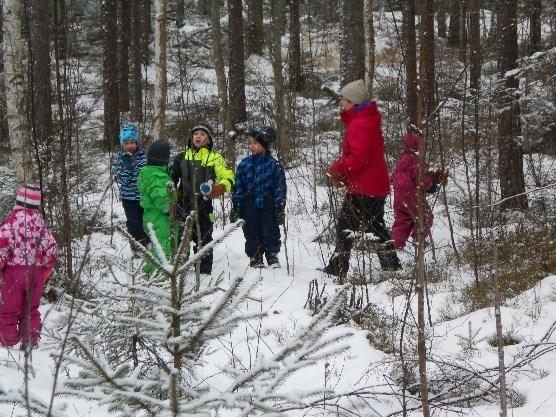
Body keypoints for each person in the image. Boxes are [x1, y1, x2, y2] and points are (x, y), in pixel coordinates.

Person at [323, 79, 401, 282]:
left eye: (344, 99)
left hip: (365, 186)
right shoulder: (366, 120)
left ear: (353, 102)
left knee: (345, 226)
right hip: (373, 184)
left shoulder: (360, 124)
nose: (341, 102)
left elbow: (358, 158)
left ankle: (337, 268)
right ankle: (392, 266)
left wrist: (338, 168)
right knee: (375, 226)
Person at [171, 123, 235, 274]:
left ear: (209, 139)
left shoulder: (215, 157)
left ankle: (204, 271)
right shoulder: (181, 156)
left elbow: (229, 177)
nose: (198, 136)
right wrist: (174, 192)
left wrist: (218, 188)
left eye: (202, 134)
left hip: (204, 205)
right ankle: (179, 271)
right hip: (183, 205)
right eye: (195, 133)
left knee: (204, 239)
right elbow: (172, 178)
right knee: (182, 238)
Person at [0, 185, 57, 349]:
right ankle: (30, 340)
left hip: (13, 273)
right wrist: (44, 270)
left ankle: (7, 341)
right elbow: (51, 250)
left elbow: (2, 248)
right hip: (35, 273)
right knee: (31, 309)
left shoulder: (9, 226)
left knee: (8, 308)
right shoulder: (42, 228)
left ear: (18, 203)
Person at [231, 126, 287, 268]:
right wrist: (237, 204)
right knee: (251, 230)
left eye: (255, 143)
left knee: (270, 229)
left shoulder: (273, 165)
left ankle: (272, 254)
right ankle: (255, 256)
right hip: (249, 203)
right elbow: (239, 185)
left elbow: (279, 186)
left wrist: (279, 204)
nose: (251, 146)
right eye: (249, 143)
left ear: (264, 145)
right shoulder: (244, 164)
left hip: (268, 202)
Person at [391, 130, 447, 250]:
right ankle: (418, 239)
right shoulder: (416, 161)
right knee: (426, 216)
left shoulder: (400, 160)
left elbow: (393, 178)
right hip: (412, 197)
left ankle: (396, 244)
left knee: (402, 220)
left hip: (399, 198)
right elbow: (421, 177)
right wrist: (431, 186)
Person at [138, 139, 178, 271]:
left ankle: (151, 273)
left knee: (157, 247)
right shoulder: (158, 177)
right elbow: (163, 199)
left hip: (151, 217)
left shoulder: (149, 173)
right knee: (163, 249)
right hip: (161, 220)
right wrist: (172, 208)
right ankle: (159, 277)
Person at [113, 122, 148, 254]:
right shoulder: (120, 160)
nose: (129, 146)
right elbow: (123, 180)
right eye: (126, 143)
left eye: (132, 142)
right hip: (128, 198)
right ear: (122, 144)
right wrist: (127, 166)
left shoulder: (143, 157)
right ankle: (137, 248)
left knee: (145, 221)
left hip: (143, 197)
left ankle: (148, 246)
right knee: (133, 224)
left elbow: (144, 175)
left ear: (137, 142)